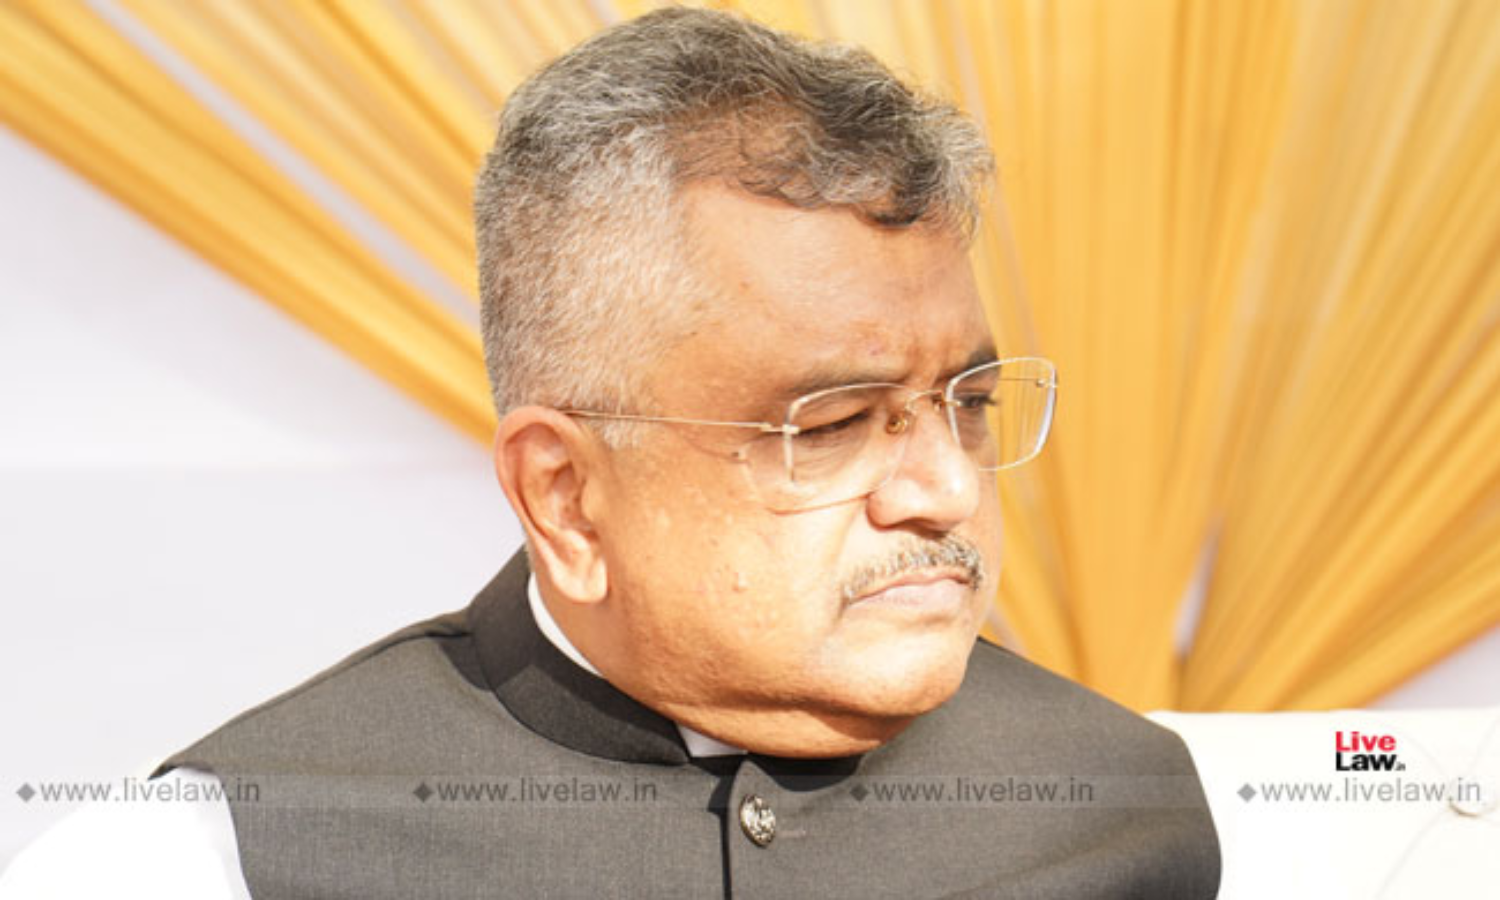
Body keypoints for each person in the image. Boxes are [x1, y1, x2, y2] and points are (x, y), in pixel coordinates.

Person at [1, 8, 1219, 898]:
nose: (947, 488)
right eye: (833, 424)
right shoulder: (215, 859)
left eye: (970, 402)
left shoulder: (1124, 811)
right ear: (565, 497)